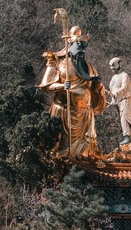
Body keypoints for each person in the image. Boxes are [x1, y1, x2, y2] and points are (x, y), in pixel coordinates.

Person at [39, 26, 106, 159]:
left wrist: (98, 86)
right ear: (70, 46)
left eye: (83, 50)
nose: (81, 53)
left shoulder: (89, 67)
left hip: (85, 114)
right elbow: (45, 86)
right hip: (65, 111)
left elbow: (96, 92)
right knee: (60, 148)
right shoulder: (57, 63)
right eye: (78, 48)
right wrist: (62, 86)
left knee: (85, 152)